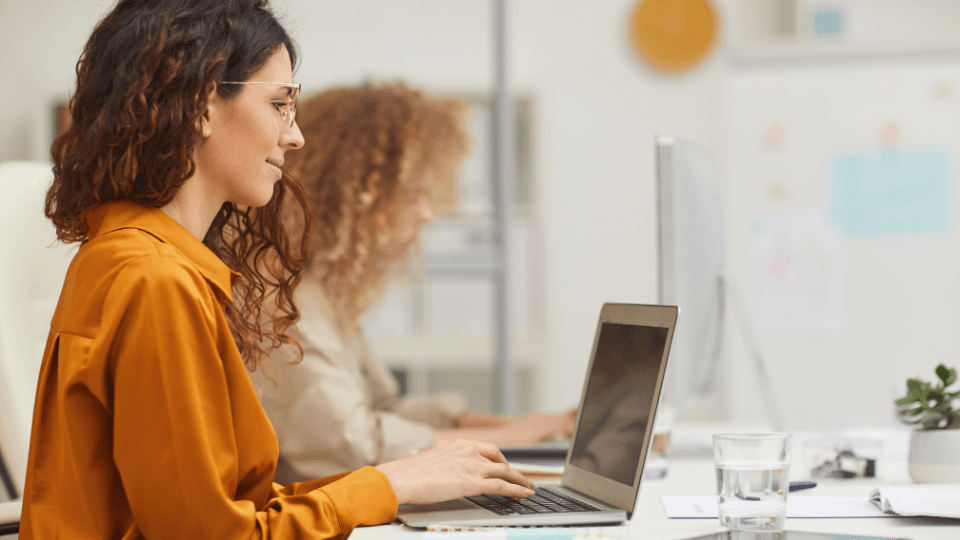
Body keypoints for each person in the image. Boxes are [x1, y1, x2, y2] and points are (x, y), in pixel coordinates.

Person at [20, 2, 534, 538]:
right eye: (279, 104)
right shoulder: (156, 281)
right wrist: (390, 484)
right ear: (201, 107)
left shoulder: (127, 257)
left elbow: (227, 510)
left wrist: (395, 482)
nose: (295, 137)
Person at [251, 83, 576, 484]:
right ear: (357, 198)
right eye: (414, 195)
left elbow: (384, 407)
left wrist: (488, 424)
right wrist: (511, 437)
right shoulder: (285, 304)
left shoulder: (322, 292)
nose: (426, 214)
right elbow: (354, 446)